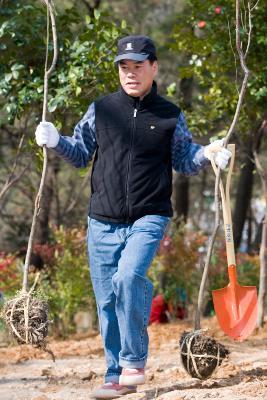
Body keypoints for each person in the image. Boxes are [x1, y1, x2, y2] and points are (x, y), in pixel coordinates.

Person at [35, 35, 231, 399]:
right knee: (107, 300)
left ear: (154, 67)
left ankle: (133, 360)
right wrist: (55, 140)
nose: (130, 73)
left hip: (149, 215)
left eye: (138, 66)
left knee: (129, 277)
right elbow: (79, 154)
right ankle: (115, 375)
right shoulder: (101, 109)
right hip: (102, 219)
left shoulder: (170, 115)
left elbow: (184, 159)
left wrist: (207, 154)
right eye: (124, 67)